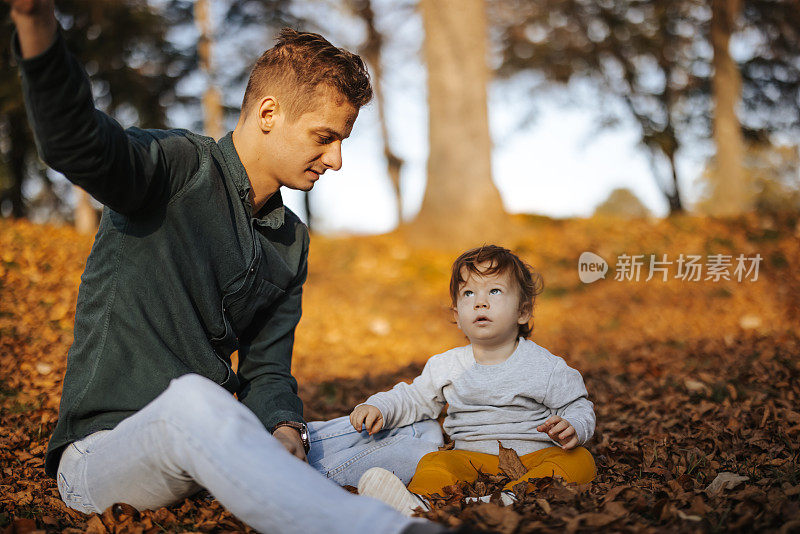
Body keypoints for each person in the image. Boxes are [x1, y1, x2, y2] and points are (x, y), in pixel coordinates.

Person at [6, 1, 446, 532]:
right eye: (323, 137)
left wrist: (286, 430)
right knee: (194, 399)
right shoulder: (174, 167)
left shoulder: (290, 241)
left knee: (410, 431)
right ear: (268, 114)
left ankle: (440, 479)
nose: (336, 160)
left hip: (215, 445)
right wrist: (35, 23)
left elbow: (266, 369)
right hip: (104, 456)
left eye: (341, 141)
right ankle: (382, 527)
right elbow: (76, 143)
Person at [351, 245, 597, 515]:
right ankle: (420, 505)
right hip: (469, 458)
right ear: (457, 316)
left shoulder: (545, 366)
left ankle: (513, 497)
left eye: (495, 291)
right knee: (434, 463)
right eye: (468, 293)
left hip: (534, 457)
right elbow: (414, 397)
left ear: (523, 312)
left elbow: (577, 405)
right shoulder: (446, 365)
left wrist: (573, 425)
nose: (481, 302)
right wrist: (380, 407)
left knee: (580, 461)